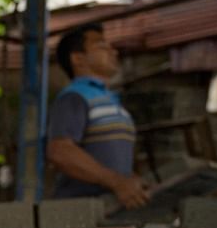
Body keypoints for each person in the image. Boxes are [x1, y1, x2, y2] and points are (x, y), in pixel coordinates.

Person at [46, 23, 148, 210]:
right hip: (82, 214)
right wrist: (116, 182)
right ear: (78, 58)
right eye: (102, 46)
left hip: (113, 209)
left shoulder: (110, 99)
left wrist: (129, 181)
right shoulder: (75, 96)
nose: (113, 52)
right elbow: (60, 151)